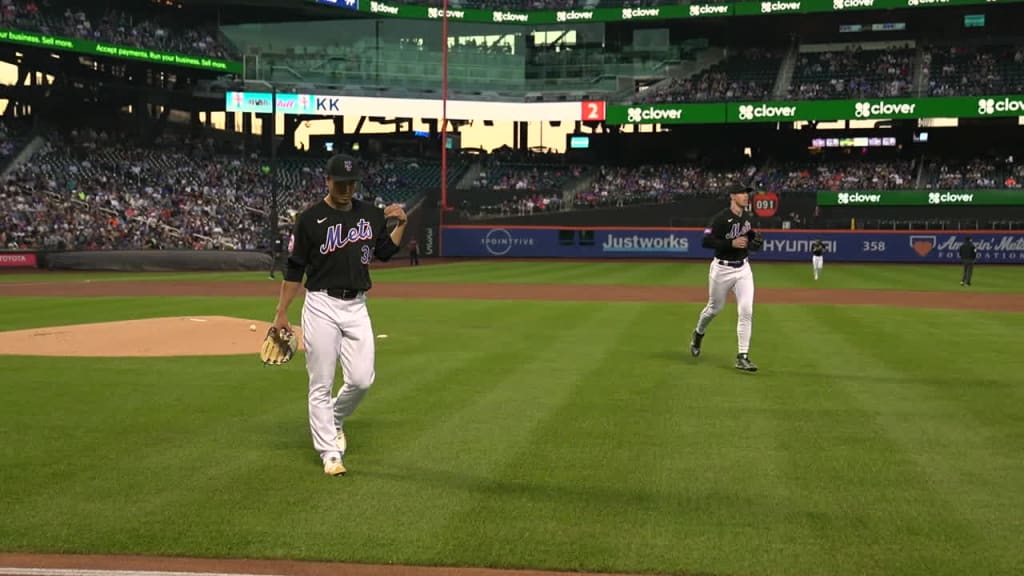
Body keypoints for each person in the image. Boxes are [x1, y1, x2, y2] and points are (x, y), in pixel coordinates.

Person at [272, 153, 407, 476]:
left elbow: (386, 252)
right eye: (341, 183)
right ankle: (329, 453)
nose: (346, 189)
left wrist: (401, 223)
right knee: (320, 382)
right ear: (328, 181)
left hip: (357, 305)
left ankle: (333, 418)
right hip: (320, 304)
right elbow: (295, 269)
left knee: (362, 379)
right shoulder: (310, 219)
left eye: (351, 183)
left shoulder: (370, 215)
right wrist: (281, 313)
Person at [689, 183, 764, 372]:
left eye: (747, 193)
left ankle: (742, 356)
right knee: (714, 309)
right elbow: (705, 241)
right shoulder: (720, 219)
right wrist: (731, 243)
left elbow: (747, 238)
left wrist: (754, 240)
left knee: (746, 311)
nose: (746, 196)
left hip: (743, 269)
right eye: (742, 193)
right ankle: (698, 334)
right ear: (732, 196)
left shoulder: (747, 217)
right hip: (721, 270)